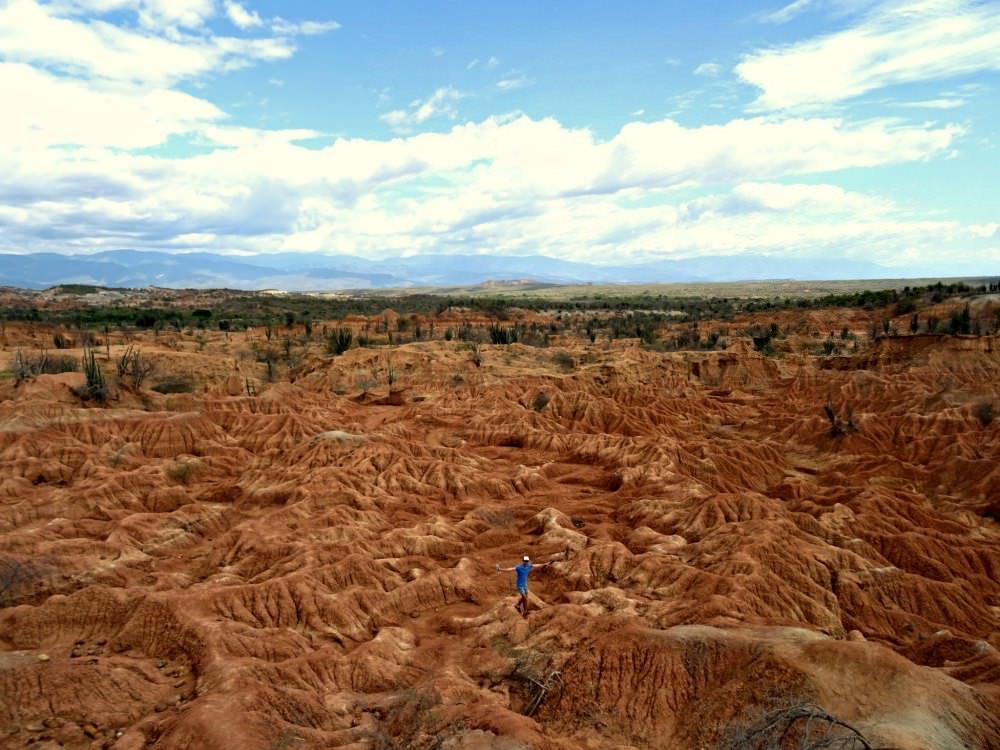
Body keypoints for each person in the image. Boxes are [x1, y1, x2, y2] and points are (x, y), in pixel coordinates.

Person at [496, 554, 553, 618]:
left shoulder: (529, 565)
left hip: (525, 585)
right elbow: (510, 569)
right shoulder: (518, 567)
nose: (526, 562)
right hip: (519, 585)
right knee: (525, 598)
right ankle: (525, 611)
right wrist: (501, 569)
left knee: (525, 597)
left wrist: (546, 563)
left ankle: (517, 605)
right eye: (525, 561)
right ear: (522, 561)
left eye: (527, 561)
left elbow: (537, 565)